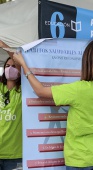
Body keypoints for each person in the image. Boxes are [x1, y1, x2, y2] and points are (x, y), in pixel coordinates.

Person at [13, 39, 93, 170]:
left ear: (87, 62)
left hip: (79, 158)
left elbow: (40, 91)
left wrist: (24, 66)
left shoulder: (79, 89)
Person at [0, 41, 22, 170]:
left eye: (14, 66)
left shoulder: (23, 91)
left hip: (15, 155)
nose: (10, 69)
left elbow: (22, 65)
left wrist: (4, 46)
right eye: (7, 66)